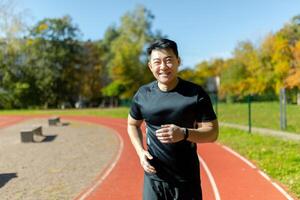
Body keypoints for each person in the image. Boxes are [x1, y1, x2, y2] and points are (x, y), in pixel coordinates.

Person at [127, 38, 219, 200]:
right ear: (150, 66)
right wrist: (140, 152)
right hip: (154, 178)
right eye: (157, 62)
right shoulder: (143, 94)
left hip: (185, 180)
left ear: (178, 61)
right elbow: (132, 124)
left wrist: (183, 133)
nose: (163, 67)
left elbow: (212, 133)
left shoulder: (195, 94)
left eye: (168, 60)